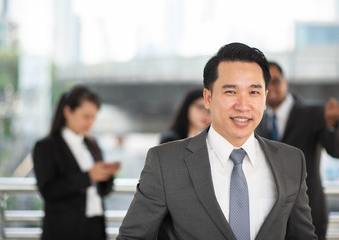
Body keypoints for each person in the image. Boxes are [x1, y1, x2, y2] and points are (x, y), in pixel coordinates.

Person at [117, 43, 317, 240]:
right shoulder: (165, 162)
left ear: (264, 99)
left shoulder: (291, 160)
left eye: (254, 92)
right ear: (208, 98)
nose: (243, 105)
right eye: (230, 91)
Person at [255, 61, 339, 240]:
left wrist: (333, 126)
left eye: (275, 80)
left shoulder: (314, 113)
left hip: (308, 210)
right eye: (264, 82)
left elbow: (336, 150)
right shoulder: (256, 118)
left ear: (285, 82)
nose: (271, 87)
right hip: (269, 214)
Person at [33, 85, 120, 240]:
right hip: (64, 230)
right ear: (68, 112)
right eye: (86, 116)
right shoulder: (46, 147)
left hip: (95, 226)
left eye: (94, 117)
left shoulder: (92, 144)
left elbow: (103, 192)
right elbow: (48, 190)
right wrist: (88, 176)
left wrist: (107, 174)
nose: (90, 122)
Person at [158, 88, 211, 240]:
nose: (206, 113)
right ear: (187, 107)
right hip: (175, 221)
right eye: (200, 107)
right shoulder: (171, 140)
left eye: (209, 109)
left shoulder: (210, 141)